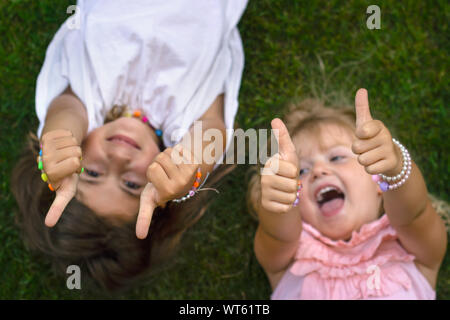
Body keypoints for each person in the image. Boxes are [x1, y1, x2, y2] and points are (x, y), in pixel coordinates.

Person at [11, 0, 248, 292]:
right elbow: (213, 129)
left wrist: (60, 141)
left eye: (93, 173)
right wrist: (190, 167)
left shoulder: (89, 102)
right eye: (133, 184)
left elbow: (66, 107)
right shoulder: (183, 121)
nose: (120, 157)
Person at [247, 89, 448, 299]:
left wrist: (395, 165)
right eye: (301, 172)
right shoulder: (292, 259)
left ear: (378, 179)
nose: (318, 171)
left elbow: (414, 213)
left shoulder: (413, 249)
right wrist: (280, 200)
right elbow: (277, 233)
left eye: (336, 158)